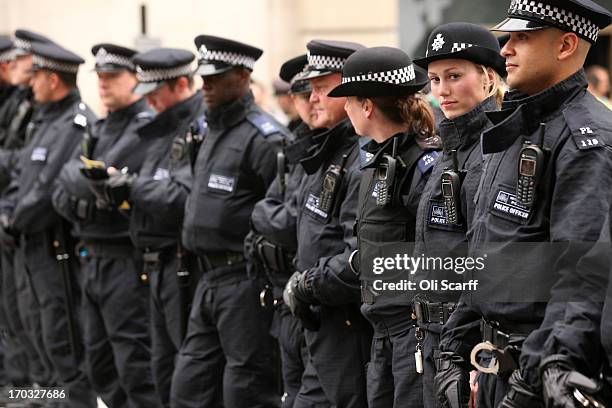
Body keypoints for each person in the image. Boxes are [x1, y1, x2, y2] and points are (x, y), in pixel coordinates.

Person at [433, 0, 612, 407]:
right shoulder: (516, 128)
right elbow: (484, 251)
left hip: (536, 371)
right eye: (508, 37)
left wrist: (529, 383)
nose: (506, 48)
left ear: (565, 46)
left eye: (522, 38)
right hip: (494, 363)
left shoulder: (587, 140)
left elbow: (580, 275)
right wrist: (453, 350)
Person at [173, 35, 290, 408]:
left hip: (245, 281)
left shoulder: (264, 138)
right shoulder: (211, 131)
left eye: (214, 77)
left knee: (247, 390)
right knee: (189, 388)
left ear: (241, 77)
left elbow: (281, 216)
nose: (203, 86)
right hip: (206, 279)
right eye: (202, 77)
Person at [327, 45, 440, 408]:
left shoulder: (422, 164)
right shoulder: (377, 160)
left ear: (368, 106)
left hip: (412, 331)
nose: (344, 108)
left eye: (349, 100)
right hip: (382, 330)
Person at [94, 47, 204, 408]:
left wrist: (132, 187)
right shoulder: (161, 127)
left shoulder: (196, 127)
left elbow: (183, 194)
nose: (149, 101)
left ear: (182, 84)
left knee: (183, 374)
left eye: (155, 92)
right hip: (154, 264)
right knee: (158, 369)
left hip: (182, 265)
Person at [51, 43, 159, 408]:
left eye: (112, 77)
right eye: (100, 77)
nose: (103, 84)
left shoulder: (144, 127)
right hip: (92, 258)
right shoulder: (101, 127)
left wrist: (89, 187)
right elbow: (65, 181)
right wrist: (93, 190)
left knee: (134, 364)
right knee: (98, 363)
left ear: (136, 79)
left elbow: (94, 183)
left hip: (125, 260)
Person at [411, 22, 506, 407]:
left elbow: (487, 263)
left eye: (454, 76)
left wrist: (470, 355)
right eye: (434, 79)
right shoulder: (451, 145)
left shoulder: (492, 151)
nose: (442, 90)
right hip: (433, 335)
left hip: (466, 343)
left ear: (487, 78)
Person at [0, 41, 97, 407]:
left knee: (62, 337)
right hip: (28, 245)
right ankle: (45, 398)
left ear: (53, 80)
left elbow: (46, 191)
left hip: (54, 248)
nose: (29, 83)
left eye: (36, 75)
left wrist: (14, 220)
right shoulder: (44, 122)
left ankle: (71, 402)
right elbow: (19, 178)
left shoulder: (73, 124)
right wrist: (8, 214)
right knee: (31, 331)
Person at [282, 39, 373, 408]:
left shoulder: (363, 155)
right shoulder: (327, 150)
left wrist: (309, 284)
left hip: (344, 322)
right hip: (314, 315)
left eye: (323, 87)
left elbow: (360, 255)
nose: (313, 97)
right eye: (311, 88)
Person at [247, 53, 325, 407]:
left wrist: (268, 215)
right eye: (301, 93)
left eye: (318, 90)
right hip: (285, 297)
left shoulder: (347, 150)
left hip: (322, 305)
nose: (310, 102)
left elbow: (293, 224)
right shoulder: (300, 147)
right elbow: (267, 210)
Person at [0, 28, 54, 394]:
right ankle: (21, 389)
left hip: (34, 230)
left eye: (21, 61)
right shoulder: (16, 103)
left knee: (38, 322)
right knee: (14, 315)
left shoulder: (36, 107)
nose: (18, 67)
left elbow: (27, 168)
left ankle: (29, 390)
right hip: (12, 216)